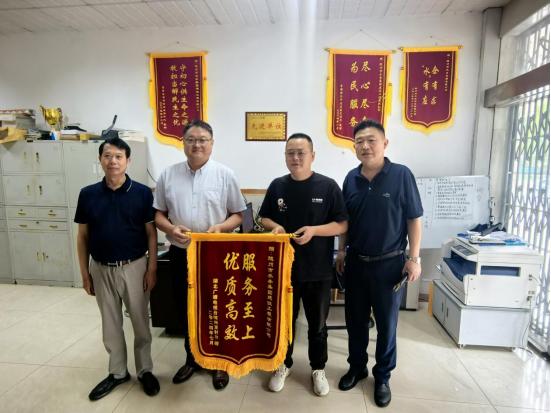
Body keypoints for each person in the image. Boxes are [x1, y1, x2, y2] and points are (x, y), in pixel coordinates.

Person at [154, 119, 246, 391]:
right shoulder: (168, 175)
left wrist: (221, 228)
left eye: (202, 139)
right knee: (186, 308)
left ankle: (219, 362)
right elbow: (158, 214)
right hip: (181, 253)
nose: (197, 144)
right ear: (183, 143)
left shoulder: (225, 174)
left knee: (216, 308)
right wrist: (171, 228)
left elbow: (239, 215)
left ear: (212, 143)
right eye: (191, 139)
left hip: (215, 255)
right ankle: (192, 358)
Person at [336, 119, 422, 408]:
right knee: (355, 322)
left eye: (371, 140)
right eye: (359, 141)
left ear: (385, 143)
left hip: (390, 265)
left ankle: (382, 376)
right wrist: (341, 251)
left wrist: (414, 258)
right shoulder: (351, 178)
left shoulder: (401, 175)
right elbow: (345, 222)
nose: (365, 146)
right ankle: (357, 367)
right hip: (357, 263)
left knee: (386, 325)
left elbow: (414, 218)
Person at [259, 133, 348, 397]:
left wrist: (315, 231)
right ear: (285, 156)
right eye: (290, 153)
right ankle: (283, 364)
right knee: (284, 323)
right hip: (283, 271)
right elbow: (263, 217)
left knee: (317, 325)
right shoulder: (277, 186)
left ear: (312, 156)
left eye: (301, 153)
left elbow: (342, 224)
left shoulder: (328, 186)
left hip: (318, 271)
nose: (295, 158)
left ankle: (318, 368)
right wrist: (275, 226)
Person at [75, 137, 160, 401]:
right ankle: (118, 372)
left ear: (128, 161)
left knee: (140, 322)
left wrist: (152, 268)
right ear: (100, 160)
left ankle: (145, 370)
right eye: (108, 156)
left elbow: (151, 234)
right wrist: (85, 273)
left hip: (135, 267)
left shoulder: (142, 193)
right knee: (110, 324)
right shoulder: (88, 194)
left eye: (118, 156)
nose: (113, 161)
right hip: (100, 269)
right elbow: (82, 236)